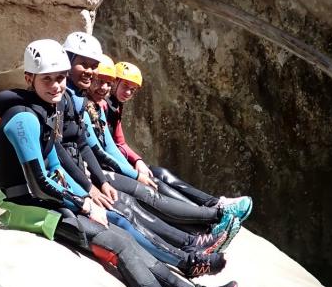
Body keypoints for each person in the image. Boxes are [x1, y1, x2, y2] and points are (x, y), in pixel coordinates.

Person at [0, 38, 238, 287]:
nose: (56, 86)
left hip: (43, 204)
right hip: (25, 209)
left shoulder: (45, 111)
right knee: (119, 245)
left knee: (123, 236)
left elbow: (55, 163)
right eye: (47, 79)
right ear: (30, 78)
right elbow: (39, 181)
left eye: (60, 78)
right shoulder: (24, 118)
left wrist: (85, 196)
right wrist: (85, 204)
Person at [57, 33, 233, 271]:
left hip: (86, 175)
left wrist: (130, 167)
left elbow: (100, 144)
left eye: (98, 72)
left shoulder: (84, 102)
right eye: (99, 78)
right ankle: (200, 235)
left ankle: (197, 234)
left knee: (142, 192)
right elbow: (67, 153)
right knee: (131, 207)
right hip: (78, 181)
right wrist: (92, 188)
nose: (102, 85)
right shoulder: (70, 102)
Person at [106, 61, 253, 221]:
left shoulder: (116, 106)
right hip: (110, 165)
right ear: (114, 81)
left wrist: (138, 160)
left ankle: (212, 204)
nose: (128, 92)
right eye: (125, 86)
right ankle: (205, 214)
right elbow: (106, 147)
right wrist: (133, 171)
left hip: (116, 161)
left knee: (161, 173)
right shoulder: (105, 105)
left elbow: (119, 142)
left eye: (132, 90)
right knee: (155, 183)